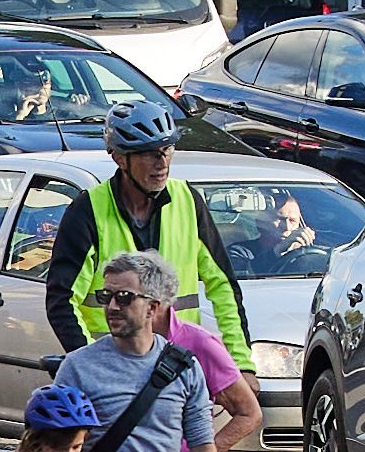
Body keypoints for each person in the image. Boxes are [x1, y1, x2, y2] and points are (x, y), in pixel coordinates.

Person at [38, 97, 248, 357]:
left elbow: (223, 286)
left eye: (167, 149)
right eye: (149, 153)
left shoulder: (187, 200)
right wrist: (92, 364)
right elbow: (62, 301)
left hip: (176, 363)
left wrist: (241, 363)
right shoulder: (88, 210)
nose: (162, 163)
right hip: (113, 362)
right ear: (119, 158)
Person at [53, 247, 221, 452]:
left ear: (152, 308)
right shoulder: (78, 367)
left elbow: (203, 445)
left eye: (124, 297)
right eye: (106, 296)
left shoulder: (183, 366)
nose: (112, 306)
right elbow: (49, 438)